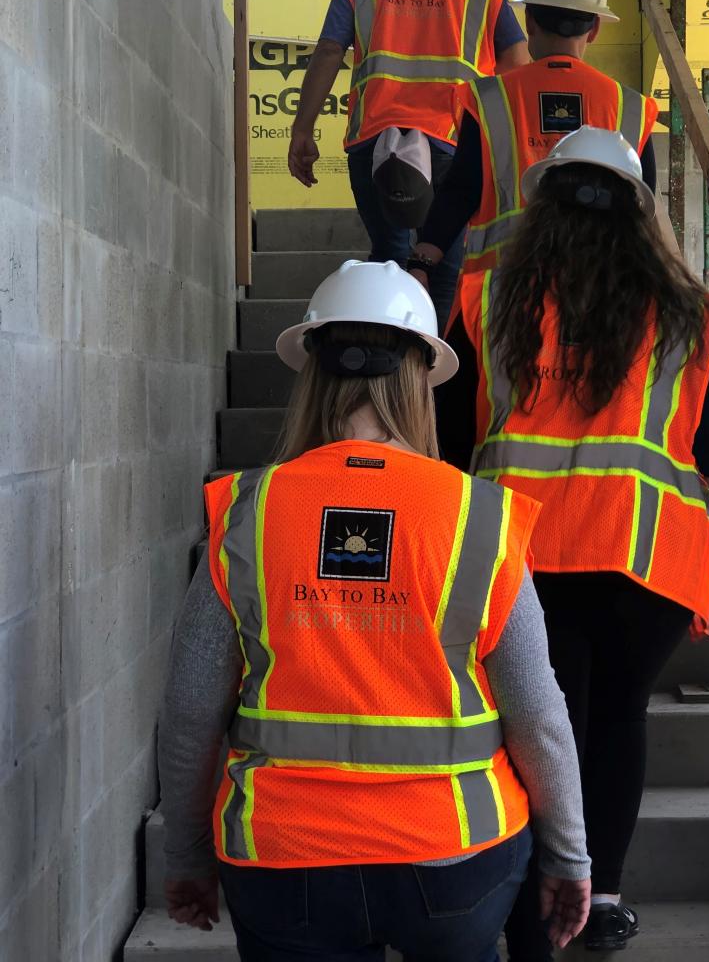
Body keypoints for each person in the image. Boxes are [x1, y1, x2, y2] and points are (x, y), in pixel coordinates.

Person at [157, 260, 592, 962]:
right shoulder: (477, 520)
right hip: (455, 859)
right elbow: (538, 715)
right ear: (422, 377)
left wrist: (186, 856)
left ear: (313, 374)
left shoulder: (247, 515)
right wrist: (570, 858)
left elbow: (187, 711)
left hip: (283, 860)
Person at [436, 128, 709, 956]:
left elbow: (444, 444)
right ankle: (604, 896)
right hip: (647, 563)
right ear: (641, 213)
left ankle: (531, 887)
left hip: (517, 561)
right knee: (617, 714)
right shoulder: (684, 313)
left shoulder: (486, 300)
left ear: (541, 203)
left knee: (531, 724)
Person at [288, 0, 529, 332]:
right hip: (455, 145)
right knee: (442, 264)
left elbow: (331, 50)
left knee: (390, 260)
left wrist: (302, 130)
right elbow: (516, 59)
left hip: (375, 140)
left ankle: (388, 371)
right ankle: (429, 381)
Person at [408, 0, 660, 286]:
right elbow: (643, 212)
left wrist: (421, 262)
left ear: (529, 21)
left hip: (501, 303)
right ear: (595, 27)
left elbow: (461, 190)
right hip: (601, 300)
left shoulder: (488, 100)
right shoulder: (632, 108)